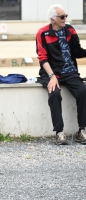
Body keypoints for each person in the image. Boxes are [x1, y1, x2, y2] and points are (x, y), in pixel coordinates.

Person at [36, 4, 86, 145]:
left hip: (70, 72)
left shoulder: (70, 30)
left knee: (83, 92)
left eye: (66, 16)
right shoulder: (42, 33)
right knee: (55, 94)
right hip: (51, 72)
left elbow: (77, 51)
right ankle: (59, 132)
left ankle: (82, 131)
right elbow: (42, 58)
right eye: (62, 16)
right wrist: (52, 76)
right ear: (53, 19)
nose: (65, 19)